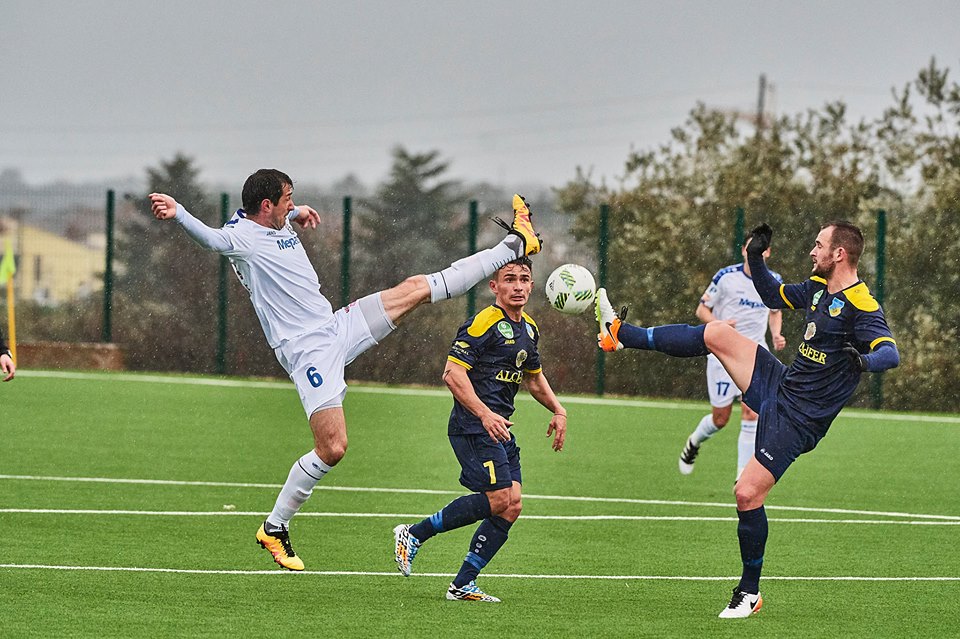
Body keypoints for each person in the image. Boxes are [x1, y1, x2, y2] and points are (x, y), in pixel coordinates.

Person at [149, 168, 542, 571]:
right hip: (307, 352)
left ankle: (513, 244)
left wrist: (297, 211)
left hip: (336, 327)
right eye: (287, 198)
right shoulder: (241, 238)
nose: (292, 202)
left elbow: (276, 218)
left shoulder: (268, 218)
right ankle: (275, 527)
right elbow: (212, 240)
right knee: (333, 448)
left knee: (417, 289)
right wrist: (179, 212)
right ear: (266, 206)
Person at [595, 221, 899, 618]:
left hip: (800, 419)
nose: (812, 250)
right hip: (782, 383)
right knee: (717, 332)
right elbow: (771, 293)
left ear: (839, 254)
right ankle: (620, 333)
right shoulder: (817, 288)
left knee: (746, 494)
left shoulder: (863, 305)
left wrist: (864, 360)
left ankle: (749, 593)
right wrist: (755, 253)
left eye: (818, 244)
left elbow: (889, 353)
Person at [392, 256, 566, 602]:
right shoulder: (483, 322)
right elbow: (452, 374)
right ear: (494, 286)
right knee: (501, 497)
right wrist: (485, 415)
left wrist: (559, 410)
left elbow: (533, 379)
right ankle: (413, 534)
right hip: (473, 426)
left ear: (532, 285)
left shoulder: (529, 329)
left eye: (524, 279)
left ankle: (463, 584)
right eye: (509, 279)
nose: (518, 286)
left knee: (512, 505)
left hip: (499, 428)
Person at [679, 241, 786, 480]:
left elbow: (776, 311)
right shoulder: (726, 277)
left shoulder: (773, 279)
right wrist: (718, 324)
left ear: (767, 252)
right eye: (751, 248)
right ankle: (694, 442)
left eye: (760, 249)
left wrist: (776, 333)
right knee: (720, 419)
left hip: (756, 355)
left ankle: (741, 476)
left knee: (752, 413)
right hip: (723, 354)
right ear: (743, 250)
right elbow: (702, 310)